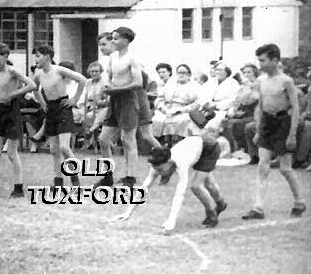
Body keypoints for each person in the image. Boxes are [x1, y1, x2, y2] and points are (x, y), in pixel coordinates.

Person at [112, 125, 227, 234]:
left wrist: (171, 221)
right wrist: (128, 213)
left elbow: (179, 194)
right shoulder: (157, 165)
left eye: (161, 169)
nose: (159, 173)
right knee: (209, 184)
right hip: (196, 146)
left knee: (196, 186)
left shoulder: (181, 162)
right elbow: (144, 188)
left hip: (209, 147)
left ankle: (212, 214)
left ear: (169, 162)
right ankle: (221, 203)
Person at [242, 44, 306, 220]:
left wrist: (292, 134)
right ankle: (258, 208)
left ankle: (299, 202)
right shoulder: (261, 80)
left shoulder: (286, 81)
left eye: (263, 60)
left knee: (285, 168)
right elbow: (262, 105)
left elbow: (295, 107)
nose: (260, 64)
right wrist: (258, 129)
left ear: (274, 60)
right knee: (263, 166)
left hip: (282, 123)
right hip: (267, 124)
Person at [96, 29, 157, 188]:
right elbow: (112, 78)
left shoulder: (132, 59)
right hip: (115, 99)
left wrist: (115, 90)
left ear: (125, 41)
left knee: (127, 139)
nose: (113, 41)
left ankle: (130, 178)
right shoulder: (114, 57)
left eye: (116, 39)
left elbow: (137, 83)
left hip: (129, 100)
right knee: (103, 139)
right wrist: (109, 87)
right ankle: (107, 177)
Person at [0, 44, 37, 205]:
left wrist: (14, 94)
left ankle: (18, 187)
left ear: (5, 56)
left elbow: (32, 85)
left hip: (12, 112)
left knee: (12, 152)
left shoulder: (12, 71)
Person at [32, 44, 86, 189]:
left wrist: (74, 100)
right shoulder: (38, 74)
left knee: (64, 147)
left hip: (63, 107)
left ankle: (75, 179)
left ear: (47, 56)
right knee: (54, 149)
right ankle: (58, 182)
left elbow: (82, 79)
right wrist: (42, 103)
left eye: (38, 55)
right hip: (51, 108)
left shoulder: (59, 70)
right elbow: (34, 88)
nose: (35, 59)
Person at [152, 64, 200, 143]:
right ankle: (160, 145)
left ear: (189, 74)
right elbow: (159, 99)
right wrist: (162, 108)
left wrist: (182, 110)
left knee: (182, 121)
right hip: (167, 109)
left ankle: (178, 143)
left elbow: (197, 103)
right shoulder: (170, 85)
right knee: (156, 119)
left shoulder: (194, 86)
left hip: (184, 110)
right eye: (179, 72)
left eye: (183, 72)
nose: (181, 75)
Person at [222, 64, 260, 152]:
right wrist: (233, 109)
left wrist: (250, 87)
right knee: (226, 121)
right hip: (242, 113)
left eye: (249, 72)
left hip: (255, 114)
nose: (246, 74)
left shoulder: (257, 84)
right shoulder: (243, 87)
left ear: (254, 73)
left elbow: (251, 100)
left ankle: (245, 150)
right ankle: (234, 149)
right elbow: (236, 101)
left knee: (236, 123)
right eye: (244, 72)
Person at [81, 61, 108, 151]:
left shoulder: (105, 84)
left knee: (100, 113)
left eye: (97, 71)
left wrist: (100, 102)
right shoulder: (87, 82)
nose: (94, 73)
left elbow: (108, 100)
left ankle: (91, 131)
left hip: (102, 107)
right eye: (92, 71)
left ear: (101, 72)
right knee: (87, 116)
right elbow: (84, 96)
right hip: (89, 107)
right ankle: (90, 139)